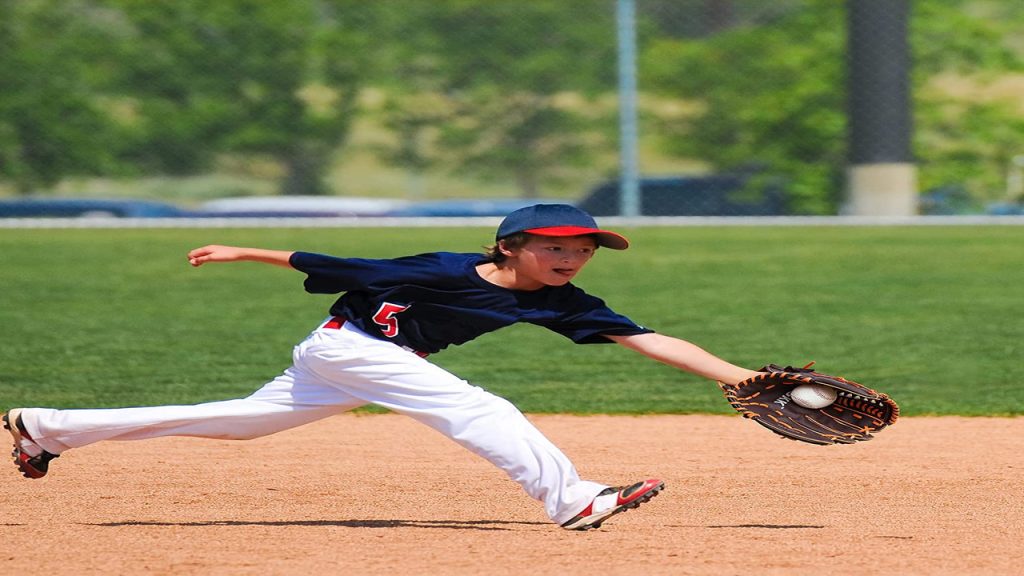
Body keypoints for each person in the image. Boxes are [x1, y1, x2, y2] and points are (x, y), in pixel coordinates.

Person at [4, 203, 759, 531]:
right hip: (351, 347)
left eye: (582, 249)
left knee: (236, 426)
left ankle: (46, 428)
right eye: (553, 247)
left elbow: (650, 339)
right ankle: (573, 500)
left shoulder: (564, 302)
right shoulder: (443, 269)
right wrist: (244, 251)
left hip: (354, 360)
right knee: (482, 409)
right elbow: (341, 261)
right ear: (509, 247)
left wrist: (739, 377)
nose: (569, 258)